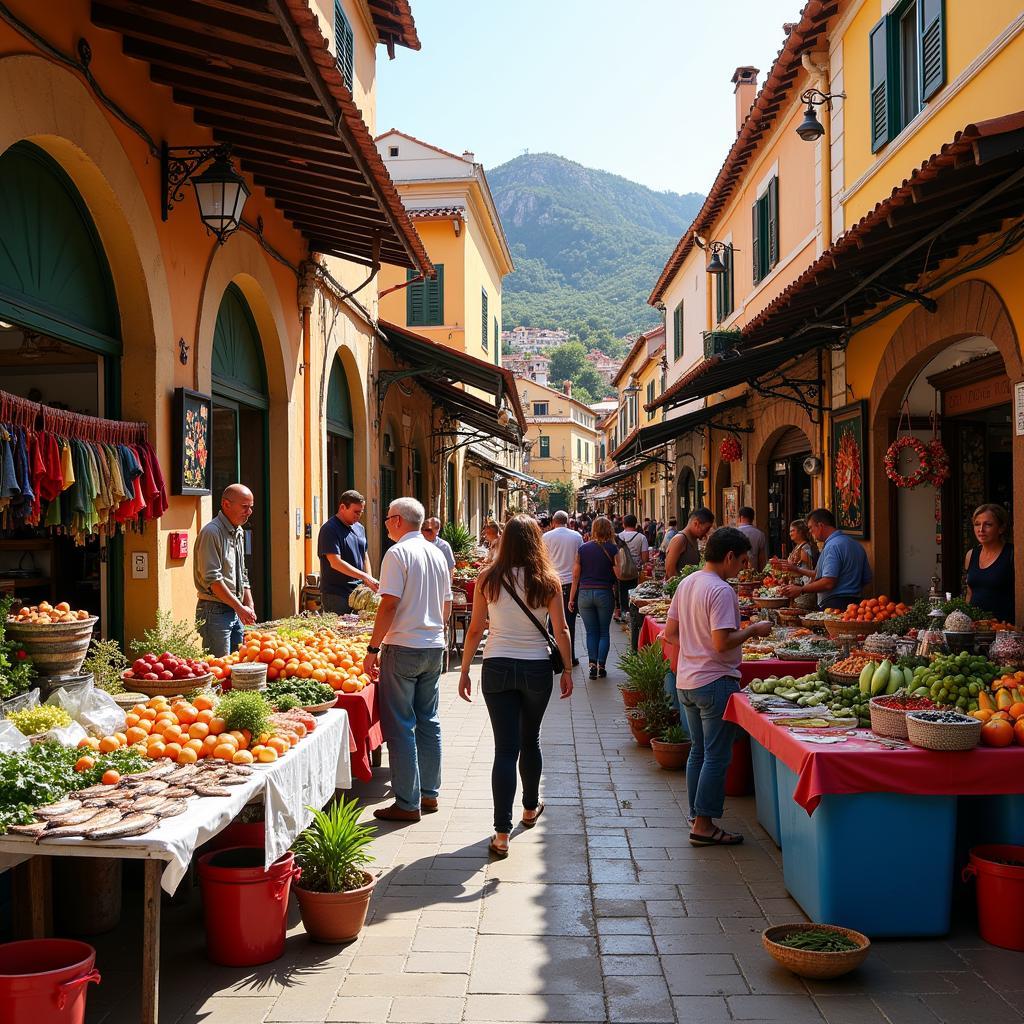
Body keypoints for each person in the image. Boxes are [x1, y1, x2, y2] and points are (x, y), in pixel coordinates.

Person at [458, 515, 573, 857]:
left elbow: (476, 629)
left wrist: (464, 670)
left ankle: (501, 833)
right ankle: (528, 808)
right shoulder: (548, 580)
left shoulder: (488, 578)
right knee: (530, 739)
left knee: (505, 750)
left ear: (504, 541)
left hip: (496, 666)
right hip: (537, 667)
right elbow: (562, 630)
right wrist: (566, 669)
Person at [664, 527, 773, 846]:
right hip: (714, 682)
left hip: (688, 680)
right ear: (728, 557)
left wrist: (694, 651)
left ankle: (697, 814)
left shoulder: (688, 583)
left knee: (699, 751)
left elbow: (670, 632)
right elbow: (722, 642)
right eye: (741, 561)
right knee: (716, 755)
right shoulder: (721, 590)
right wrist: (753, 630)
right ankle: (704, 825)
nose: (742, 568)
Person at [364, 498, 452, 822]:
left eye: (387, 518)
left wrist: (372, 650)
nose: (385, 523)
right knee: (428, 720)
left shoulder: (397, 553)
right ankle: (430, 794)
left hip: (403, 647)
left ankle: (407, 802)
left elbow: (388, 605)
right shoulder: (437, 553)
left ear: (398, 520)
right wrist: (436, 634)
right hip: (433, 646)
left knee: (401, 725)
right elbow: (446, 604)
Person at [195, 483, 257, 656]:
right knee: (219, 668)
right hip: (214, 610)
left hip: (235, 608)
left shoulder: (238, 531)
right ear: (226, 504)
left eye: (251, 507)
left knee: (236, 665)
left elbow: (242, 573)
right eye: (245, 507)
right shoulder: (212, 532)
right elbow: (213, 579)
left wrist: (249, 603)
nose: (249, 512)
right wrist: (240, 607)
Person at [781, 508, 871, 609]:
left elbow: (828, 582)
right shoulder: (856, 544)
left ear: (820, 526)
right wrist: (796, 569)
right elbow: (866, 579)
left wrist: (801, 589)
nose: (810, 532)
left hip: (835, 604)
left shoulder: (832, 546)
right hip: (856, 605)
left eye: (811, 528)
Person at [569, 516, 620, 677]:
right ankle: (602, 666)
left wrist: (571, 598)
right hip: (604, 592)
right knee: (604, 631)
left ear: (594, 530)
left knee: (591, 631)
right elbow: (619, 574)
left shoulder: (583, 549)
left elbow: (575, 576)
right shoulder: (613, 549)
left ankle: (591, 665)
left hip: (584, 593)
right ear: (610, 530)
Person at [317, 490, 377, 613]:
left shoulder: (360, 528)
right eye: (355, 512)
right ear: (343, 507)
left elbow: (364, 555)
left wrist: (368, 579)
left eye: (361, 512)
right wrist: (364, 576)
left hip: (359, 592)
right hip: (337, 595)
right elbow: (335, 562)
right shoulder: (329, 529)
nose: (358, 515)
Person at [543, 510, 583, 666]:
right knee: (569, 621)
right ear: (568, 522)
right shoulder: (576, 537)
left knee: (552, 622)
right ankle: (570, 656)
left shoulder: (546, 537)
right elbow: (580, 561)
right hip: (570, 584)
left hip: (551, 582)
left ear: (553, 521)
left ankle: (555, 656)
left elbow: (543, 559)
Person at [964, 503, 1014, 624]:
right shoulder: (971, 555)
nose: (981, 529)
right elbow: (970, 593)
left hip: (1004, 629)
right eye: (977, 524)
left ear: (1001, 528)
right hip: (975, 628)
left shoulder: (1013, 554)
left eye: (988, 524)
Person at [615, 514, 649, 622]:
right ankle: (633, 613)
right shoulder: (641, 537)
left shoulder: (618, 537)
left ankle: (622, 612)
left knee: (620, 590)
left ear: (623, 524)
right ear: (636, 524)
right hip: (635, 570)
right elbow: (645, 557)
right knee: (633, 590)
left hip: (620, 569)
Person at [664, 508, 715, 579]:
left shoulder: (694, 539)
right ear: (696, 523)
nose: (706, 533)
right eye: (706, 529)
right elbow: (670, 571)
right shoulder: (680, 539)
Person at [422, 517, 455, 581]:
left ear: (437, 530)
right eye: (423, 529)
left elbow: (450, 568)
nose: (423, 532)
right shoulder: (416, 544)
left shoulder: (444, 546)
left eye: (428, 530)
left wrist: (449, 586)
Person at [736, 507, 768, 572]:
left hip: (736, 574)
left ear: (741, 517)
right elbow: (762, 559)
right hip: (753, 573)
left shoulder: (734, 532)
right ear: (753, 518)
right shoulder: (760, 534)